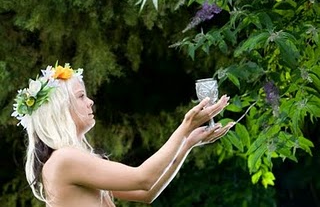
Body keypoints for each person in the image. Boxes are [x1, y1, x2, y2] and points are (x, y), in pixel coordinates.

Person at [12, 62, 235, 207]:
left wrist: (186, 144)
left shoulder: (75, 160)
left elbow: (147, 193)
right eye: (81, 97)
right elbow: (143, 178)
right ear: (60, 108)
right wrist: (184, 127)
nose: (90, 102)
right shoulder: (64, 159)